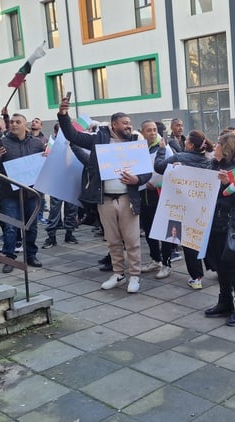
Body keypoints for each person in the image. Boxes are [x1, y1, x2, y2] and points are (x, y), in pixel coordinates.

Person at [57, 98, 150, 293]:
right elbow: (73, 135)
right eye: (125, 123)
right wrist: (64, 115)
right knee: (113, 240)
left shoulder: (135, 141)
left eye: (130, 123)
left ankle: (134, 275)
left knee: (132, 240)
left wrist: (137, 180)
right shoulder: (98, 139)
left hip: (127, 199)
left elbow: (146, 171)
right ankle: (118, 273)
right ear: (114, 124)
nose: (129, 126)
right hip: (105, 199)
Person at [203, 130, 235, 326]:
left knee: (232, 266)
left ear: (226, 148)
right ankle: (225, 301)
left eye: (218, 144)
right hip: (214, 222)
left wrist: (228, 184)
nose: (214, 146)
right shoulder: (213, 165)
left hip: (231, 223)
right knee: (219, 264)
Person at [154, 130, 214, 289]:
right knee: (202, 238)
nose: (184, 142)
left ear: (191, 145)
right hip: (202, 207)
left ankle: (196, 277)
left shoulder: (180, 158)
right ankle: (214, 268)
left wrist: (161, 149)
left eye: (186, 141)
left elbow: (159, 167)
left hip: (182, 207)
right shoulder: (210, 160)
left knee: (188, 241)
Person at [0, 113, 45, 273]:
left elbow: (43, 164)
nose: (14, 124)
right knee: (10, 227)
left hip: (31, 192)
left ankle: (31, 255)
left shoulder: (37, 144)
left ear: (25, 125)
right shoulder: (2, 143)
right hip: (9, 193)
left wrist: (46, 156)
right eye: (11, 122)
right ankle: (9, 257)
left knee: (31, 226)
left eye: (18, 122)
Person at [139, 120, 175, 279]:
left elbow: (173, 169)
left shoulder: (164, 148)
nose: (152, 133)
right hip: (143, 194)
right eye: (149, 130)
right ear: (142, 132)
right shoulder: (139, 148)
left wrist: (157, 184)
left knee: (164, 230)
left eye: (154, 130)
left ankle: (167, 264)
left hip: (160, 194)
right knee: (148, 230)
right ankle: (155, 259)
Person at [41, 124, 79, 249]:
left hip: (71, 180)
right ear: (56, 132)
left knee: (71, 209)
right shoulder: (51, 144)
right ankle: (51, 236)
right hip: (56, 181)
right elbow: (45, 160)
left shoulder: (74, 142)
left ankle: (69, 233)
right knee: (54, 210)